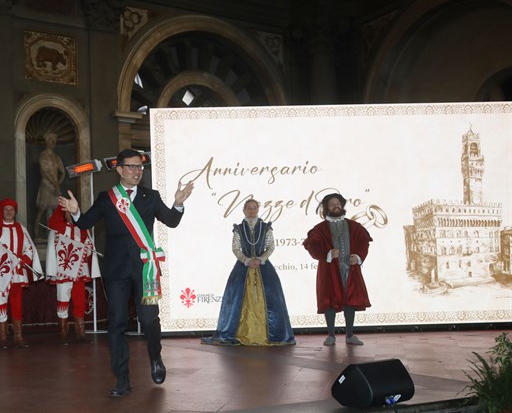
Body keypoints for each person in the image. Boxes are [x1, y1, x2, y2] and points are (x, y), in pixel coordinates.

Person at [58, 149, 194, 397]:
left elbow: (171, 221)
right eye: (131, 167)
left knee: (149, 319)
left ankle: (156, 358)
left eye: (140, 167)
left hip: (145, 269)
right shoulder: (107, 198)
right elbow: (85, 223)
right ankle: (122, 378)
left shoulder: (150, 196)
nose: (136, 171)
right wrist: (76, 211)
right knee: (117, 323)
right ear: (119, 170)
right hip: (116, 270)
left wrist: (179, 203)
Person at [201, 199, 295, 346]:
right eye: (249, 208)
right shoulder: (238, 228)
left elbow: (270, 246)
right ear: (244, 210)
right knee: (237, 298)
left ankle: (273, 335)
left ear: (258, 209)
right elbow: (235, 248)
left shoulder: (266, 228)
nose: (252, 211)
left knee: (272, 297)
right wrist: (246, 260)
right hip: (242, 268)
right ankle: (238, 333)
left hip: (263, 267)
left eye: (254, 208)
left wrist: (261, 259)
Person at [303, 192, 372, 346]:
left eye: (338, 203)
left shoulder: (354, 226)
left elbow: (364, 242)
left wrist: (359, 256)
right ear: (327, 208)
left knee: (350, 300)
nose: (336, 206)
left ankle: (350, 335)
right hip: (329, 271)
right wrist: (326, 254)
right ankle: (331, 335)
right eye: (332, 204)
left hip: (350, 269)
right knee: (329, 301)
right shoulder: (320, 229)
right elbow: (312, 246)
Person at [0, 199, 42, 349]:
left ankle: (18, 337)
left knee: (17, 304)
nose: (8, 212)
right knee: (0, 304)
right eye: (6, 209)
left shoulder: (21, 229)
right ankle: (3, 338)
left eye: (11, 210)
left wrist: (23, 260)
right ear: (2, 211)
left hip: (17, 273)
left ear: (15, 212)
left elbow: (29, 248)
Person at [44, 207, 100, 343]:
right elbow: (52, 251)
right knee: (63, 300)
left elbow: (88, 250)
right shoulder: (56, 229)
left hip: (80, 272)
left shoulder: (82, 228)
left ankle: (80, 332)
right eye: (67, 211)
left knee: (80, 300)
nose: (70, 213)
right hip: (63, 271)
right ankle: (63, 332)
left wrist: (87, 249)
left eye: (72, 210)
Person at [33, 133, 66, 239]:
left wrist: (58, 183)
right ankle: (36, 234)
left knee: (54, 211)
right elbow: (45, 172)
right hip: (46, 185)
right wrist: (56, 184)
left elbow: (63, 172)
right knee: (42, 209)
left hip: (55, 187)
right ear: (46, 141)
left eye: (54, 140)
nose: (53, 142)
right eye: (51, 139)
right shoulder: (43, 155)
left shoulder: (56, 157)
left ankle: (50, 235)